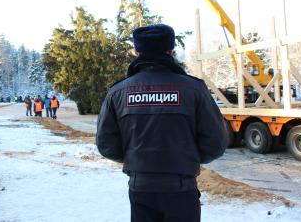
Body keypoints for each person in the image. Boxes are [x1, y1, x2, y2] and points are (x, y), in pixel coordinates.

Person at [96, 24, 227, 222]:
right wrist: (186, 159)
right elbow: (215, 143)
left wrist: (138, 160)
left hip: (141, 189)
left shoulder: (118, 92)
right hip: (182, 188)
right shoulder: (194, 89)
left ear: (137, 51)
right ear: (170, 50)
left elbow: (106, 145)